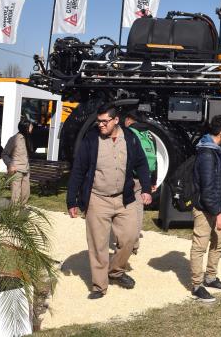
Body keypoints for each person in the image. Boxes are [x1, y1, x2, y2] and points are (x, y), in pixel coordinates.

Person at [67, 105, 152, 299]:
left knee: (130, 237)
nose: (101, 125)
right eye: (99, 121)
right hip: (97, 199)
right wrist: (72, 200)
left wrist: (146, 188)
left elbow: (141, 163)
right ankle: (99, 286)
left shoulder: (130, 138)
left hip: (125, 198)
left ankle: (116, 271)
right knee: (98, 244)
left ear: (116, 120)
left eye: (105, 121)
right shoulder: (91, 139)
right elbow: (78, 170)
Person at [190, 115, 221, 303]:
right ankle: (197, 286)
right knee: (200, 246)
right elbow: (207, 189)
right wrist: (218, 213)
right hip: (204, 208)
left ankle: (210, 277)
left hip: (213, 205)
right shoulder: (207, 154)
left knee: (219, 241)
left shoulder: (214, 150)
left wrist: (217, 209)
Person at [121, 110, 158, 253]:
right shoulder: (149, 134)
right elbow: (154, 158)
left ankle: (126, 242)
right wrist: (152, 181)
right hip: (144, 178)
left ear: (129, 119)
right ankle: (134, 244)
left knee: (124, 210)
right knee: (138, 210)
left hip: (130, 176)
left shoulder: (128, 133)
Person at [2, 119, 32, 205]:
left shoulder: (28, 139)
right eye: (30, 126)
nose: (32, 127)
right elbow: (4, 154)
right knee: (16, 196)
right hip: (16, 171)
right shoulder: (14, 139)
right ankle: (14, 212)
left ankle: (21, 210)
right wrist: (10, 165)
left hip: (26, 170)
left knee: (26, 194)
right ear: (26, 127)